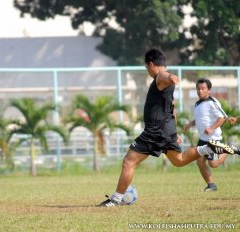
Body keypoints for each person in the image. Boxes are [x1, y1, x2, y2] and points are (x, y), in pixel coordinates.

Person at [98, 48, 239, 207]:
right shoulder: (164, 84)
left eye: (146, 67)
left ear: (151, 64)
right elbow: (172, 108)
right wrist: (175, 131)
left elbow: (164, 76)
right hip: (166, 130)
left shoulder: (159, 77)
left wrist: (171, 77)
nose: (147, 71)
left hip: (155, 131)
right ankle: (209, 148)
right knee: (179, 160)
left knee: (129, 162)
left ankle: (115, 200)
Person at [184, 78, 229, 192]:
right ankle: (211, 185)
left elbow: (222, 117)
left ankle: (227, 150)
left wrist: (211, 128)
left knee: (213, 163)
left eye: (203, 88)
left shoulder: (212, 102)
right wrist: (190, 124)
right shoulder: (197, 104)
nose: (200, 91)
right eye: (198, 89)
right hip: (203, 139)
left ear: (208, 90)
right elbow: (200, 119)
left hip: (213, 138)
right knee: (199, 161)